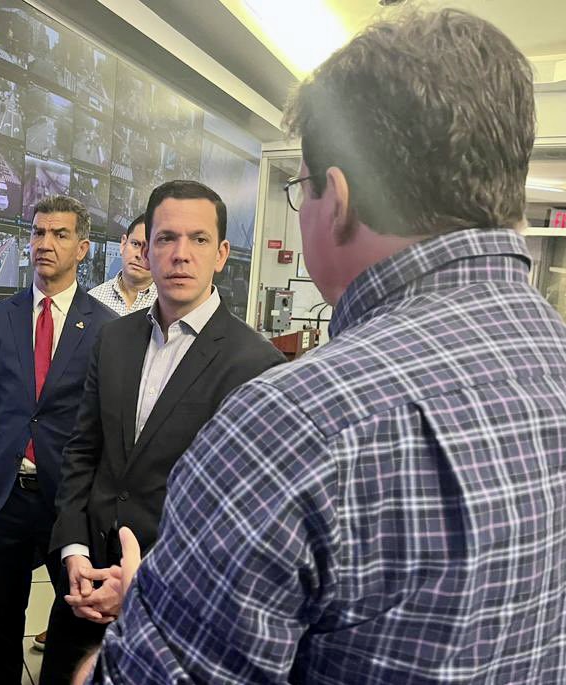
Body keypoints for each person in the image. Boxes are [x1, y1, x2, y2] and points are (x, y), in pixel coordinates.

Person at [82, 9, 566, 684]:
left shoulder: (292, 421)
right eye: (164, 238)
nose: (178, 254)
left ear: (334, 198)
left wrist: (152, 613)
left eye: (299, 188)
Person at [39, 180, 285, 684]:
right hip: (85, 588)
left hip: (175, 602)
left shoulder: (255, 365)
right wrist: (74, 552)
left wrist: (143, 580)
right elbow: (83, 452)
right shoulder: (113, 339)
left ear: (221, 254)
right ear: (146, 250)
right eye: (166, 238)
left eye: (198, 239)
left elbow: (239, 514)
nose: (180, 254)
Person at [0, 195, 116, 685]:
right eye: (38, 232)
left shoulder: (105, 329)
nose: (45, 243)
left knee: (72, 629)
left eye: (60, 234)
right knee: (2, 628)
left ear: (82, 248)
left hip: (66, 504)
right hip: (2, 497)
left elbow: (105, 423)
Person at [87, 215, 157, 316]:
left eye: (149, 249)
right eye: (135, 244)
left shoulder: (170, 305)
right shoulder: (93, 299)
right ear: (123, 244)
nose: (139, 255)